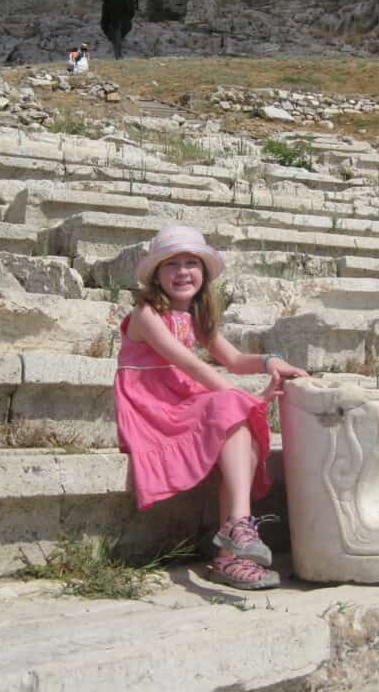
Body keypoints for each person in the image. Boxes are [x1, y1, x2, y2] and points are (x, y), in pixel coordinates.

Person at [114, 225, 308, 590]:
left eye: (192, 262)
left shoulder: (196, 316)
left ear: (203, 273)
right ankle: (234, 542)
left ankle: (231, 548)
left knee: (241, 434)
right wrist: (248, 401)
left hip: (182, 398)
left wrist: (270, 361)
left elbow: (233, 359)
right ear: (156, 274)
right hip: (152, 404)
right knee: (233, 409)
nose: (183, 271)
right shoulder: (146, 314)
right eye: (171, 264)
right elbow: (193, 367)